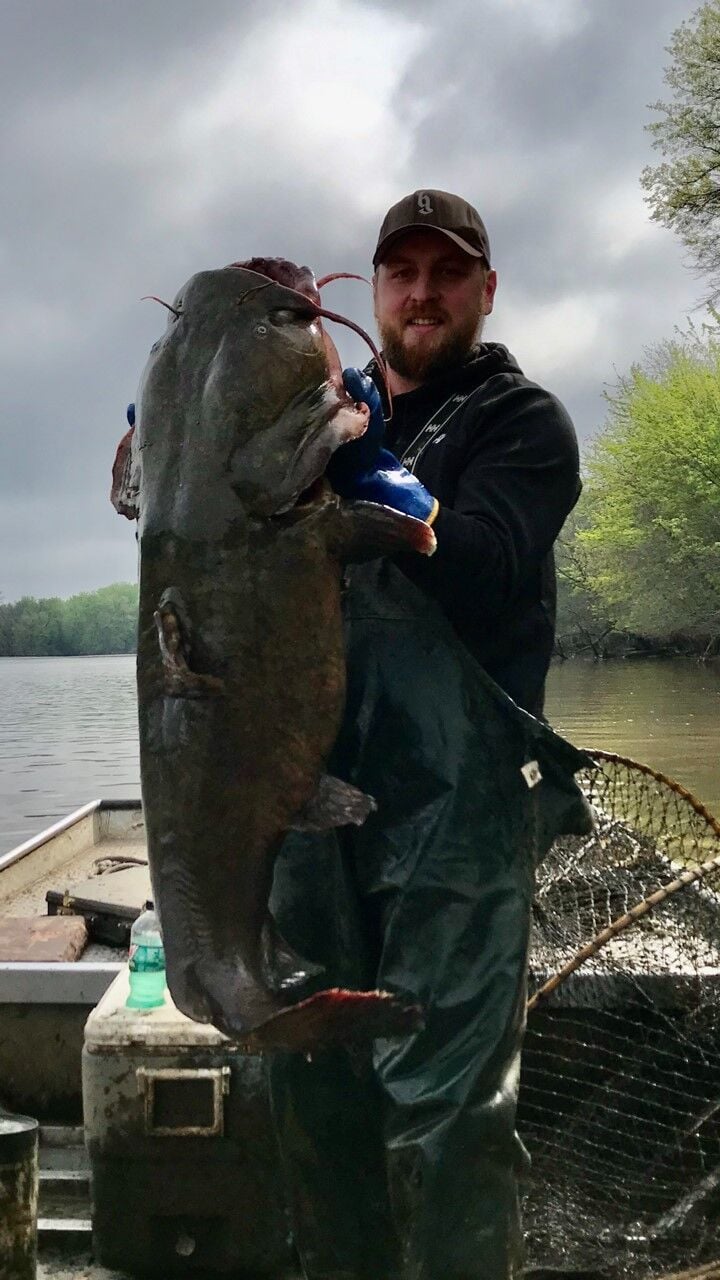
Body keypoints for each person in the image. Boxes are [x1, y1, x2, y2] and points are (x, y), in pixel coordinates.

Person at [268, 189, 590, 1280]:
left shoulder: (521, 422)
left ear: (484, 292)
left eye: (447, 272)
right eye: (401, 271)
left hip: (456, 824)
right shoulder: (321, 422)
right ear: (377, 288)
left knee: (447, 1117)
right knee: (316, 1100)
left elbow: (490, 564)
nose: (422, 291)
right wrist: (182, 427)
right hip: (310, 810)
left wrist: (376, 490)